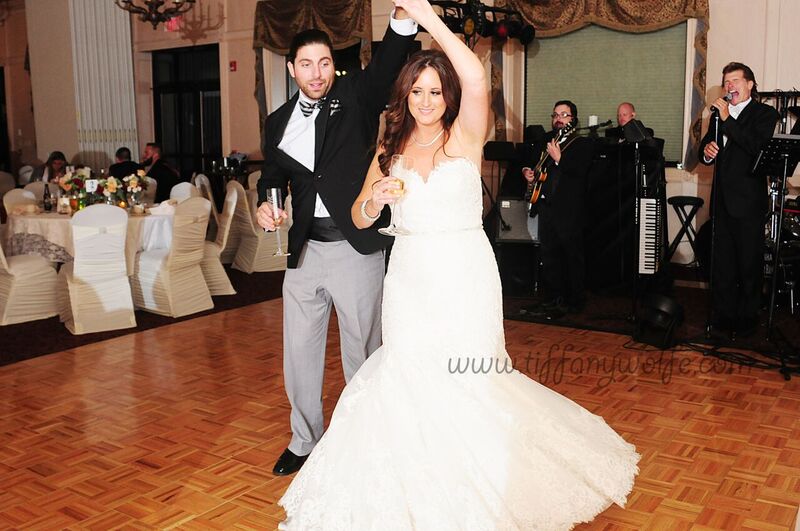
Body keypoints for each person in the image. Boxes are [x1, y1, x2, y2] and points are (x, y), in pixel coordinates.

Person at [277, 1, 639, 528]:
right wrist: (375, 200)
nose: (426, 101)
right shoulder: (389, 144)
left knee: (471, 377)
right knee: (410, 377)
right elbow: (360, 210)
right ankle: (419, 485)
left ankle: (483, 486)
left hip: (464, 274)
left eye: (435, 90)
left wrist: (427, 17)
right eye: (416, 91)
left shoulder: (467, 136)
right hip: (409, 277)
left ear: (448, 95)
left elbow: (472, 71)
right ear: (405, 95)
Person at [255, 9, 418, 476]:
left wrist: (402, 20)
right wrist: (266, 205)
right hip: (304, 252)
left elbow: (388, 65)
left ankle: (368, 438)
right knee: (300, 352)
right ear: (292, 69)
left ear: (333, 65)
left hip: (355, 246)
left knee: (362, 351)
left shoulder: (355, 96)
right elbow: (273, 175)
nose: (317, 73)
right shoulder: (277, 122)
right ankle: (305, 439)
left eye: (324, 63)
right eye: (306, 64)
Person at [699, 62, 779, 338]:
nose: (729, 86)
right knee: (722, 264)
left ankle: (746, 320)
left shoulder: (764, 114)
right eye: (726, 82)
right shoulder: (718, 116)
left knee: (748, 264)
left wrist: (729, 119)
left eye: (734, 81)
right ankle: (723, 317)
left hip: (748, 202)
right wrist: (707, 153)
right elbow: (705, 151)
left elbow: (756, 146)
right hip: (721, 201)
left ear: (750, 85)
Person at [521, 101, 595, 320]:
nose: (558, 118)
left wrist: (559, 158)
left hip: (569, 209)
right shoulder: (545, 140)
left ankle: (574, 301)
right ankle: (553, 297)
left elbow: (581, 172)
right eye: (555, 114)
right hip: (545, 205)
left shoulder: (582, 143)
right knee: (549, 255)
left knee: (571, 256)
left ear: (574, 119)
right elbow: (532, 164)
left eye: (564, 114)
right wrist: (527, 172)